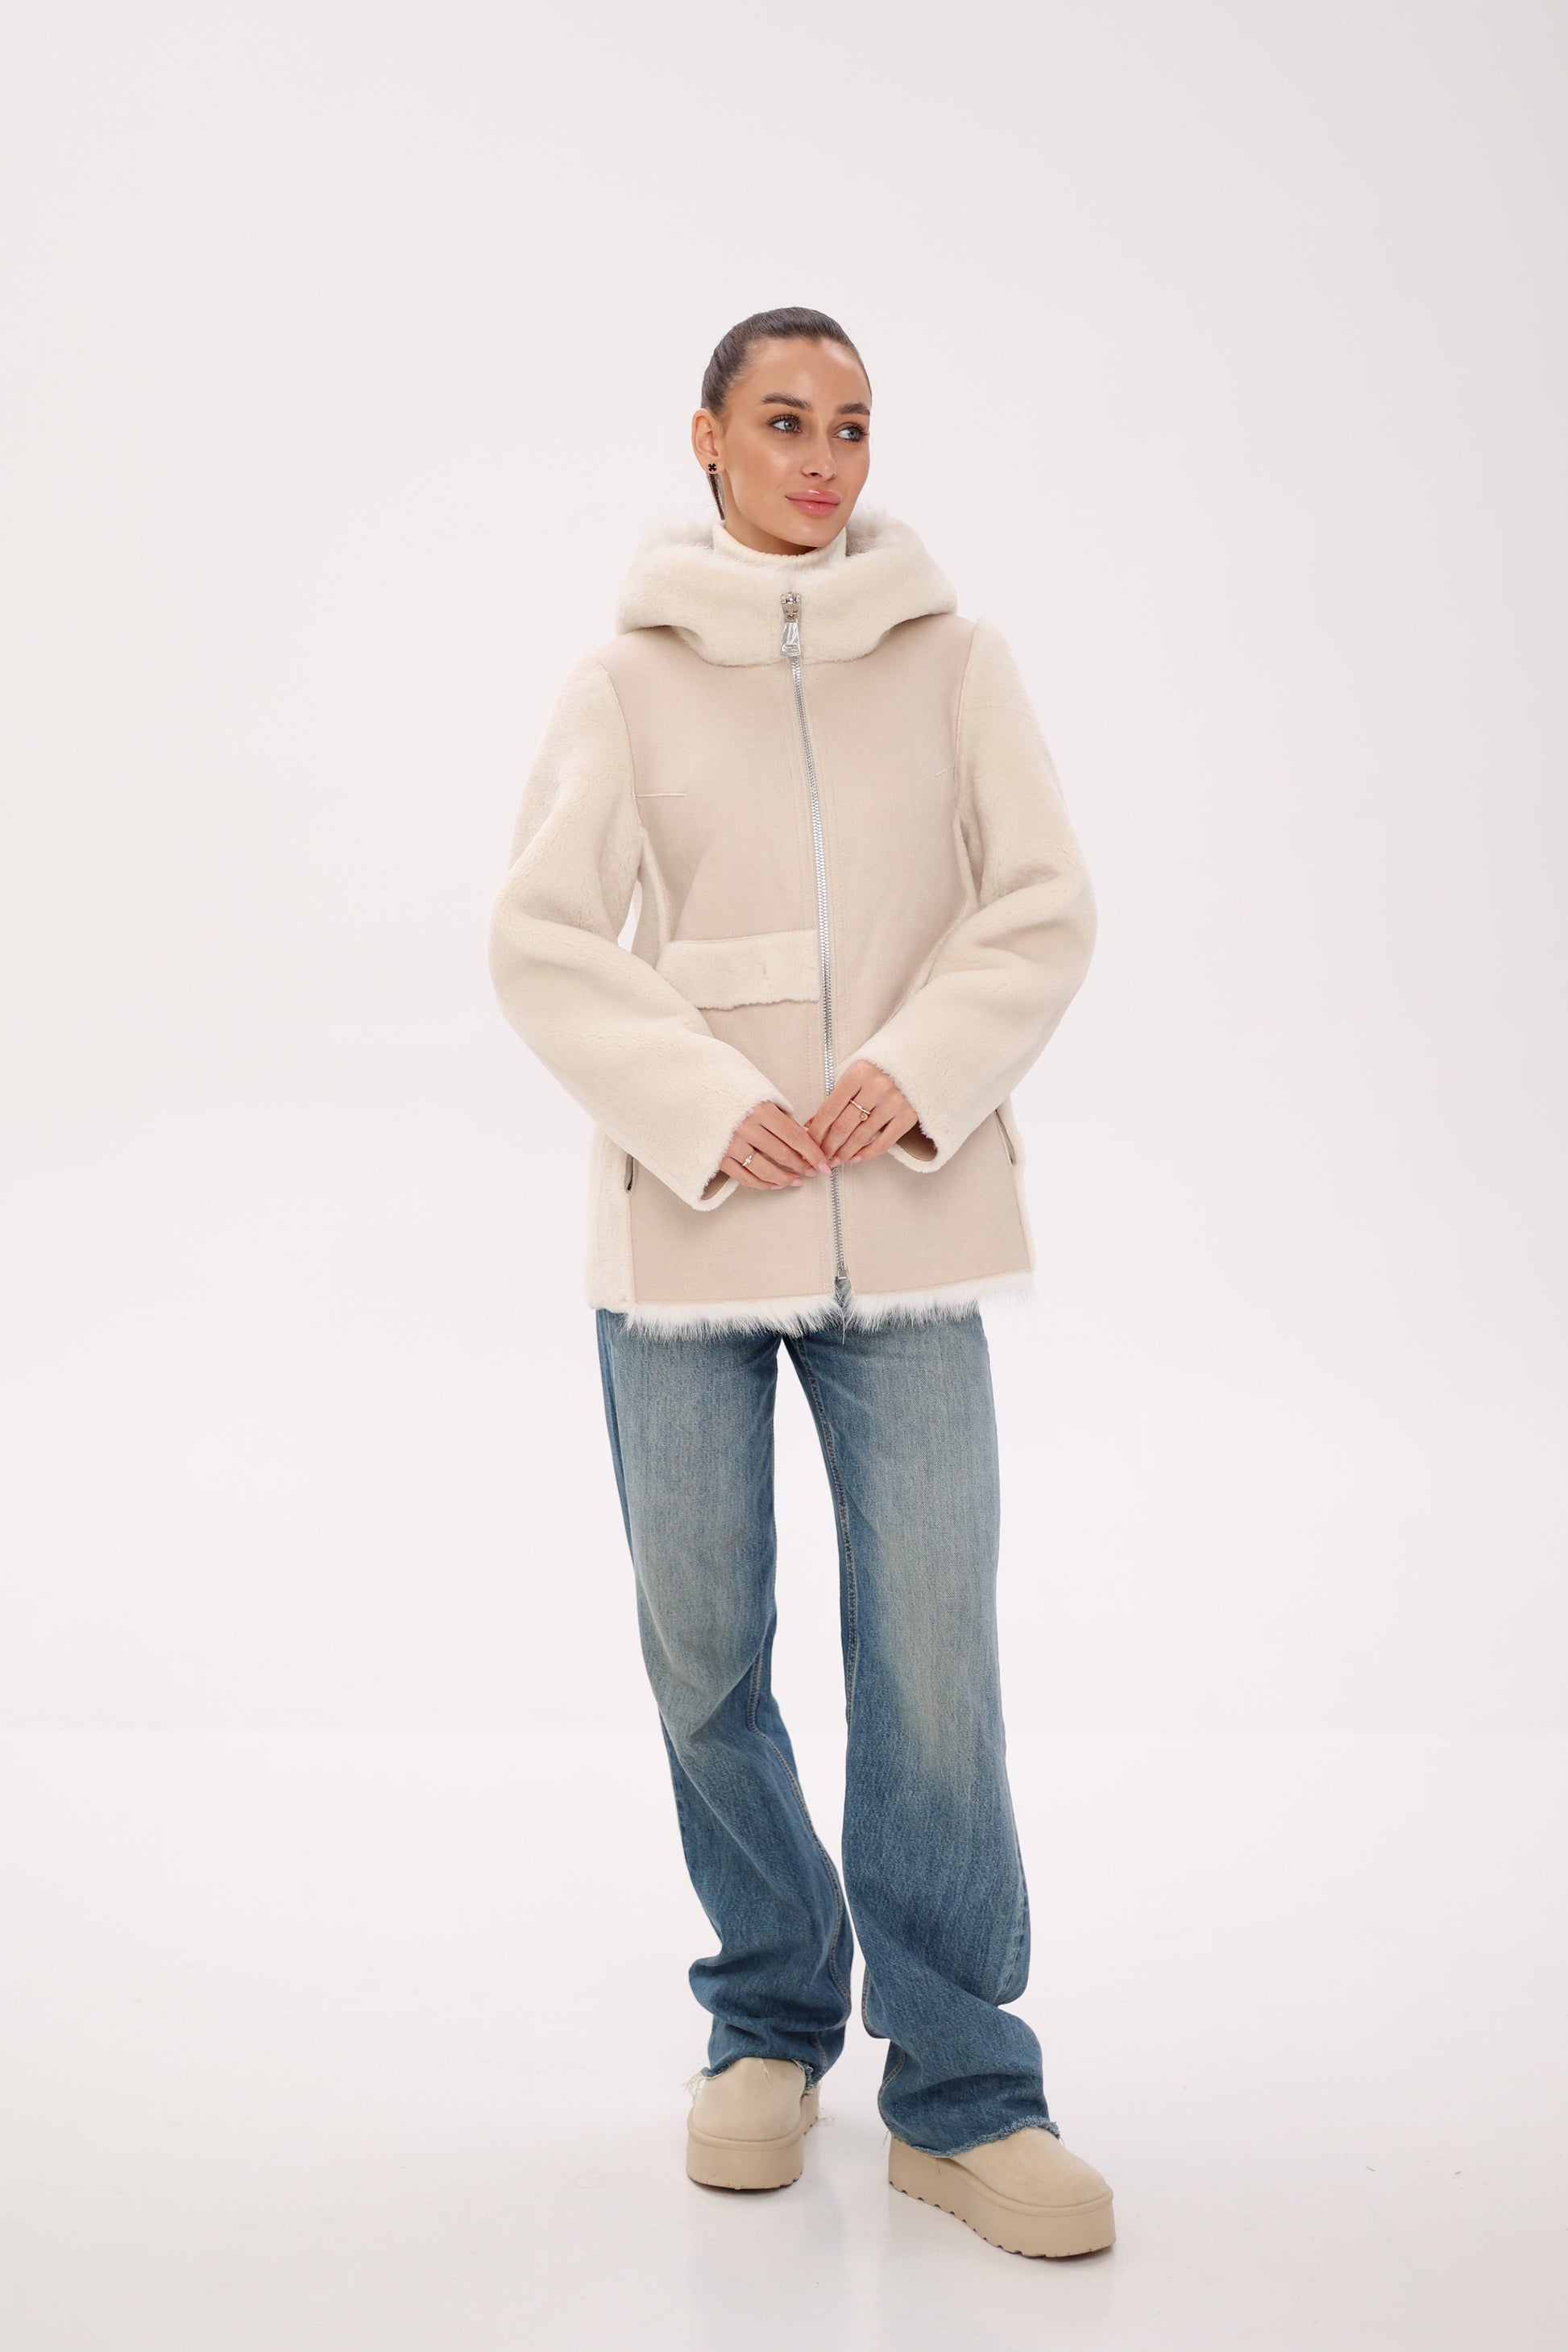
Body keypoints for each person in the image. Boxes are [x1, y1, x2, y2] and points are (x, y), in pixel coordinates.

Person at [487, 307, 1113, 2259]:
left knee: (931, 1658)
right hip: (690, 1228)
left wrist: (913, 1071)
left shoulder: (955, 661)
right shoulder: (621, 677)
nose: (823, 458)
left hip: (906, 1222)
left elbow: (1041, 905)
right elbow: (540, 936)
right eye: (783, 421)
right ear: (708, 438)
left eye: (849, 424)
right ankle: (766, 2014)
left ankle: (964, 2088)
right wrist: (703, 1101)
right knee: (701, 1649)